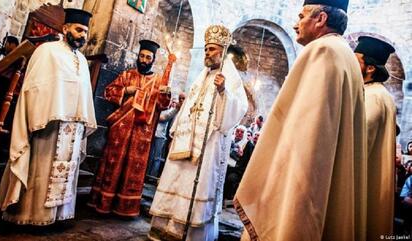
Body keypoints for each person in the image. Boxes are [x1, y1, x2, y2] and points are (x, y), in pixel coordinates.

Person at [234, 0, 368, 240]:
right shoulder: (345, 56)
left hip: (300, 188)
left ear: (321, 19)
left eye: (302, 15)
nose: (296, 24)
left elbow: (307, 139)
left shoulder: (322, 51)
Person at [0, 8, 97, 225]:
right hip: (48, 124)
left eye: (86, 32)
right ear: (65, 28)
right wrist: (44, 113)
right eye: (79, 30)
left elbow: (84, 96)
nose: (83, 36)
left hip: (73, 127)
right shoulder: (47, 51)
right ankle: (31, 216)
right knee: (40, 172)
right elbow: (35, 87)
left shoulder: (82, 61)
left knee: (65, 174)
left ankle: (57, 216)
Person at [148, 24, 248, 241]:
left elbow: (240, 108)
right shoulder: (201, 76)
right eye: (206, 49)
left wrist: (224, 92)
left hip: (208, 144)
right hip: (186, 140)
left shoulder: (231, 78)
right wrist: (176, 130)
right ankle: (167, 229)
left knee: (198, 185)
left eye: (211, 49)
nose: (207, 53)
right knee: (176, 179)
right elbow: (188, 105)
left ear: (222, 51)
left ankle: (190, 234)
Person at [88, 40, 175, 217]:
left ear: (153, 60)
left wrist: (166, 94)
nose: (144, 60)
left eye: (148, 58)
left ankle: (124, 207)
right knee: (113, 163)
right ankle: (103, 203)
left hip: (142, 133)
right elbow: (109, 91)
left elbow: (162, 105)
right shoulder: (127, 75)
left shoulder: (158, 81)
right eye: (141, 56)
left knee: (132, 168)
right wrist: (127, 90)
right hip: (121, 128)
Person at [354, 36, 396, 239]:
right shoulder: (378, 94)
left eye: (356, 60)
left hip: (359, 186)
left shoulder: (374, 97)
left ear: (370, 68)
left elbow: (356, 145)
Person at [147, 92, 185, 178]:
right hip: (157, 133)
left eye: (183, 99)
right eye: (180, 98)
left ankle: (152, 177)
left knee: (157, 157)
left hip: (163, 135)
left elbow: (165, 118)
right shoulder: (166, 107)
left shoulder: (174, 109)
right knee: (151, 156)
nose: (181, 101)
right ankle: (148, 176)